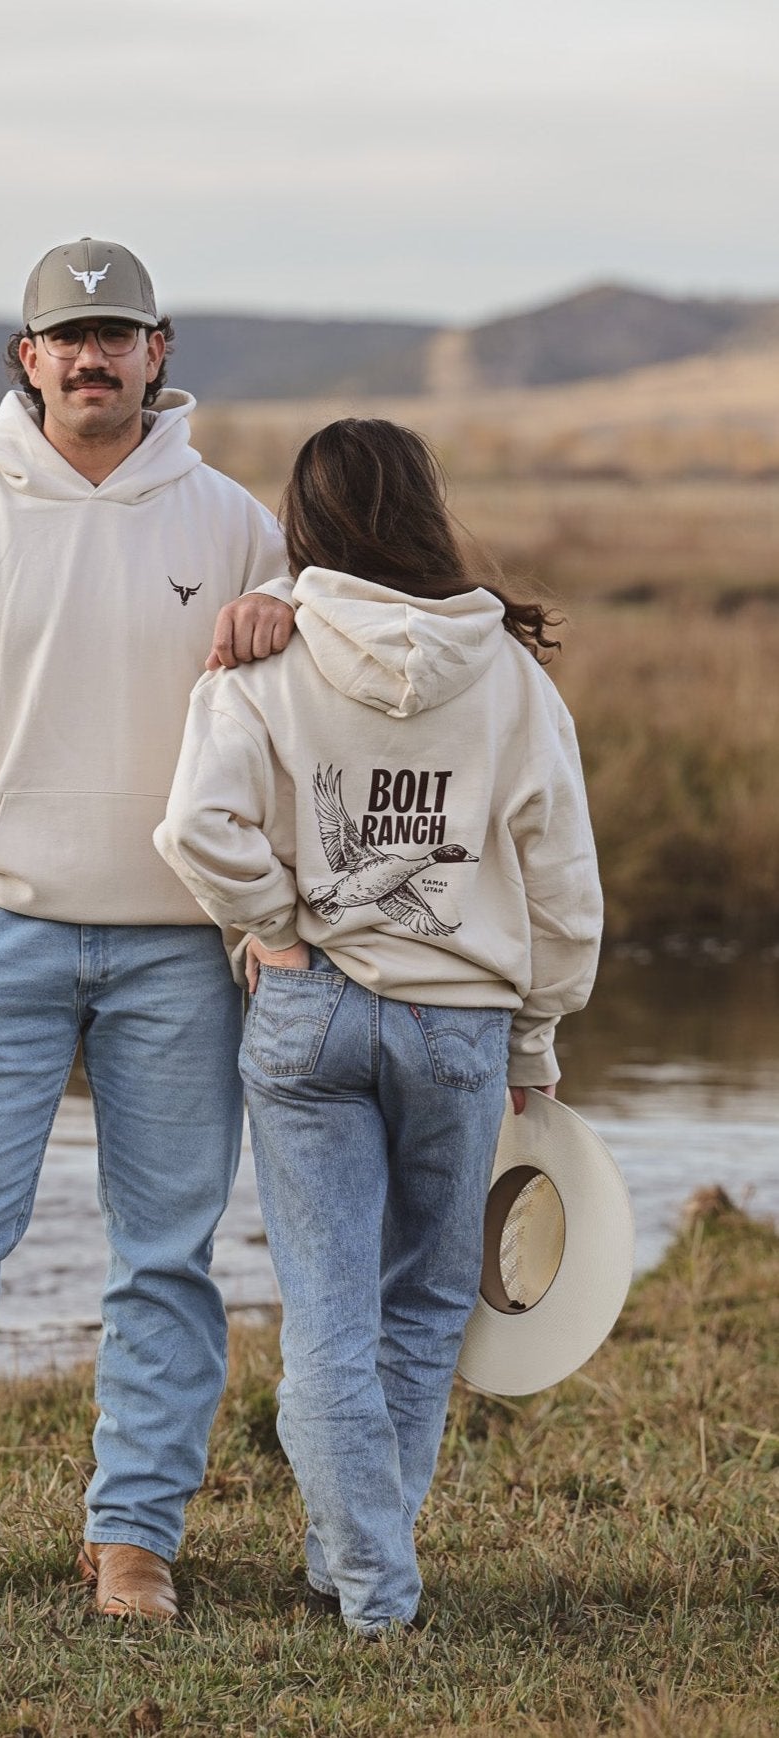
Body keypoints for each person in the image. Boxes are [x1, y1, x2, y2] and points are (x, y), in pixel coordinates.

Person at [0, 238, 294, 1621]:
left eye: (117, 334)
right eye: (66, 337)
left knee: (166, 1255)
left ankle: (133, 1540)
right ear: (25, 359)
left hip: (176, 950)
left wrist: (293, 613)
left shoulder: (232, 525)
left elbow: (297, 724)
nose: (92, 358)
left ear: (159, 351)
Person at [156, 419, 603, 1637]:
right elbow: (564, 888)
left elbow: (196, 828)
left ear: (301, 524)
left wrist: (278, 930)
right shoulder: (510, 672)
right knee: (418, 1311)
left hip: (309, 1017)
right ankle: (374, 1582)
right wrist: (538, 1041)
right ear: (425, 508)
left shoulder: (264, 658)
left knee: (330, 1320)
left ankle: (359, 1572)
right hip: (461, 1028)